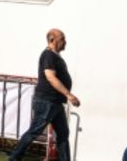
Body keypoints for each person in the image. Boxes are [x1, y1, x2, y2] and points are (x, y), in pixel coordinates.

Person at [8, 28, 78, 161]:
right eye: (62, 39)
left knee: (63, 134)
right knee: (34, 131)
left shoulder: (56, 56)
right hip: (47, 101)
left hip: (56, 102)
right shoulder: (48, 55)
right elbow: (51, 77)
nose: (65, 42)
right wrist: (68, 94)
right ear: (52, 39)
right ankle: (14, 158)